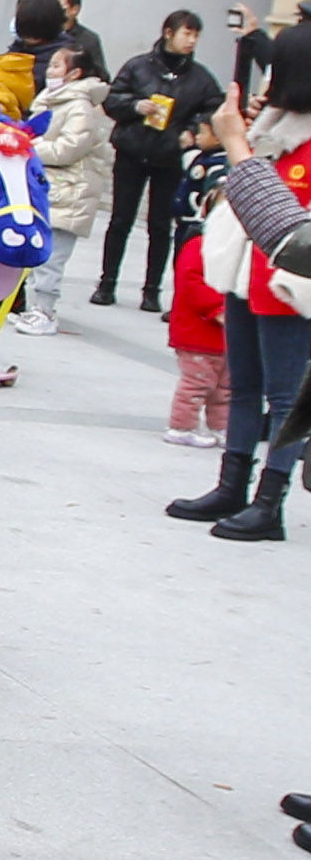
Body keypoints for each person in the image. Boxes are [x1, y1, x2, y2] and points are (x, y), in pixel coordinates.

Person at [169, 81, 311, 539]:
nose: (266, 91)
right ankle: (232, 485)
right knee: (243, 387)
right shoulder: (272, 132)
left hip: (289, 283)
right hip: (245, 269)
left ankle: (270, 502)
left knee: (286, 398)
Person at [96, 8, 223, 311]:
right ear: (168, 33)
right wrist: (136, 106)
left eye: (195, 35)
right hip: (132, 150)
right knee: (120, 219)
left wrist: (191, 131)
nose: (191, 41)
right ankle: (107, 283)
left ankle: (152, 290)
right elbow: (112, 99)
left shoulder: (200, 77)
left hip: (169, 157)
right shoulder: (139, 67)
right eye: (186, 33)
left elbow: (213, 108)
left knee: (160, 224)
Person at [19, 44, 110, 334]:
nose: (50, 71)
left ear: (75, 73)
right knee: (36, 253)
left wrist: (30, 147)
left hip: (70, 193)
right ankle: (33, 307)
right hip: (49, 189)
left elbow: (68, 149)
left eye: (57, 66)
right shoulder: (51, 100)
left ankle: (45, 311)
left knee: (52, 256)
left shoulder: (80, 106)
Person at [165, 184, 231, 446]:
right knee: (196, 384)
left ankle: (222, 427)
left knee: (225, 388)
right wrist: (217, 308)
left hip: (226, 336)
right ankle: (181, 426)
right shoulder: (198, 244)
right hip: (198, 331)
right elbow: (191, 281)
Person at [57, 0, 108, 81]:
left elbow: (101, 75)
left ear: (74, 9)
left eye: (60, 8)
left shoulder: (88, 38)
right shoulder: (43, 32)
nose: (55, 12)